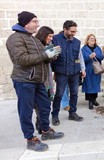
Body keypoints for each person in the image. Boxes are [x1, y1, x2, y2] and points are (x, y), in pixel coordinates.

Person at [6, 11, 64, 152]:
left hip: (38, 80)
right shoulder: (14, 39)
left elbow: (41, 58)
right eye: (35, 21)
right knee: (25, 111)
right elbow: (21, 60)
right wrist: (45, 54)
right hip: (24, 80)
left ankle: (45, 131)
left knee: (44, 106)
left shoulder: (34, 39)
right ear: (26, 23)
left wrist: (52, 55)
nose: (37, 24)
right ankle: (30, 139)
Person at [51, 20, 86, 126]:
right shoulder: (55, 39)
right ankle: (55, 115)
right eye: (71, 31)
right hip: (61, 72)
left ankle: (72, 113)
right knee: (59, 94)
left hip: (75, 72)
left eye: (75, 31)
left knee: (74, 93)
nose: (73, 34)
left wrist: (82, 69)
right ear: (65, 29)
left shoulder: (76, 42)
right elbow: (49, 55)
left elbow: (79, 56)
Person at [34, 26, 55, 134]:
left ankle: (41, 124)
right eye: (49, 36)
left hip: (47, 78)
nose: (51, 38)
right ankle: (43, 126)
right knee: (42, 105)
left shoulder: (45, 45)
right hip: (39, 80)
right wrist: (46, 54)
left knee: (45, 104)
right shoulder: (36, 46)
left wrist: (53, 55)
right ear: (43, 35)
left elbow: (47, 63)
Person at [81, 34, 104, 109]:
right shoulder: (84, 49)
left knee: (95, 84)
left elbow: (102, 57)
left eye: (94, 38)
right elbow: (82, 60)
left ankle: (94, 99)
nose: (92, 40)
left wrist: (96, 55)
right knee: (89, 85)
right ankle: (90, 101)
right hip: (88, 69)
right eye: (91, 38)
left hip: (96, 70)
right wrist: (89, 57)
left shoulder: (97, 48)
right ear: (87, 40)